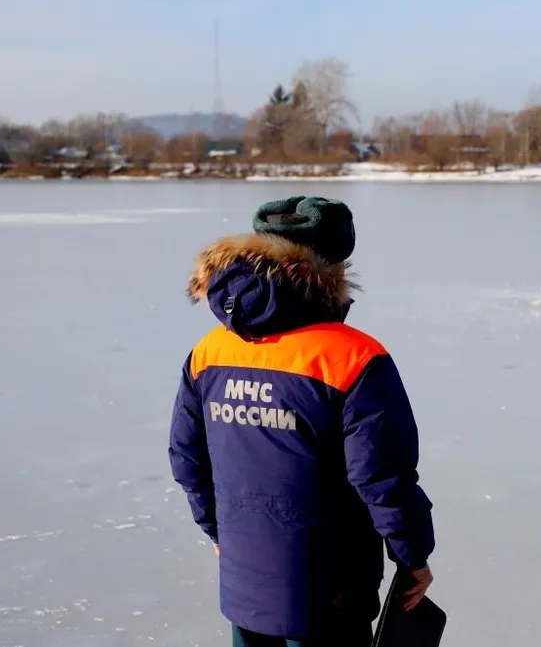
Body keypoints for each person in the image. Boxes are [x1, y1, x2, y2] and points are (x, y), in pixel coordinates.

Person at [168, 195, 436, 647]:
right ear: (335, 267)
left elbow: (187, 459)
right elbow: (380, 476)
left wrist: (216, 530)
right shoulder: (352, 356)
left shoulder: (211, 351)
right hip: (329, 592)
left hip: (245, 580)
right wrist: (412, 557)